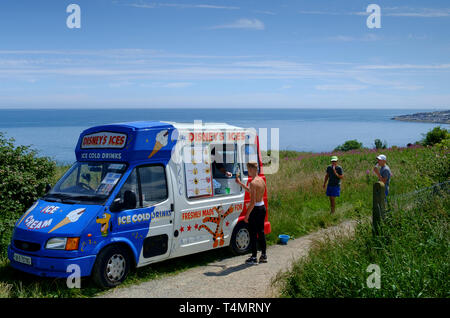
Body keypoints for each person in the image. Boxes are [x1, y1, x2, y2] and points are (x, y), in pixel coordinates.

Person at [235, 161, 267, 264]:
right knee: (261, 232)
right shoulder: (261, 180)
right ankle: (264, 255)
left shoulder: (253, 183)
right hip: (262, 207)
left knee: (253, 233)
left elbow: (252, 202)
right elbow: (252, 191)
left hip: (256, 209)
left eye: (248, 169)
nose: (248, 171)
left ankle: (254, 257)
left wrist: (247, 215)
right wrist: (240, 183)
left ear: (252, 169)